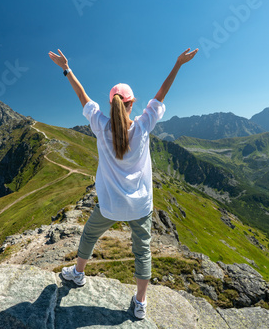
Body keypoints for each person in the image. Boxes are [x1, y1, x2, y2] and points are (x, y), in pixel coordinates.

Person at [48, 47, 198, 319]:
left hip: (110, 205)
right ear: (131, 104)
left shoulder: (99, 124)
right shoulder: (143, 126)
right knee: (142, 252)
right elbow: (161, 94)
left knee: (90, 235)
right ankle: (140, 303)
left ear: (111, 104)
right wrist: (178, 64)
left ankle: (78, 274)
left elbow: (82, 96)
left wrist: (66, 68)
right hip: (140, 205)